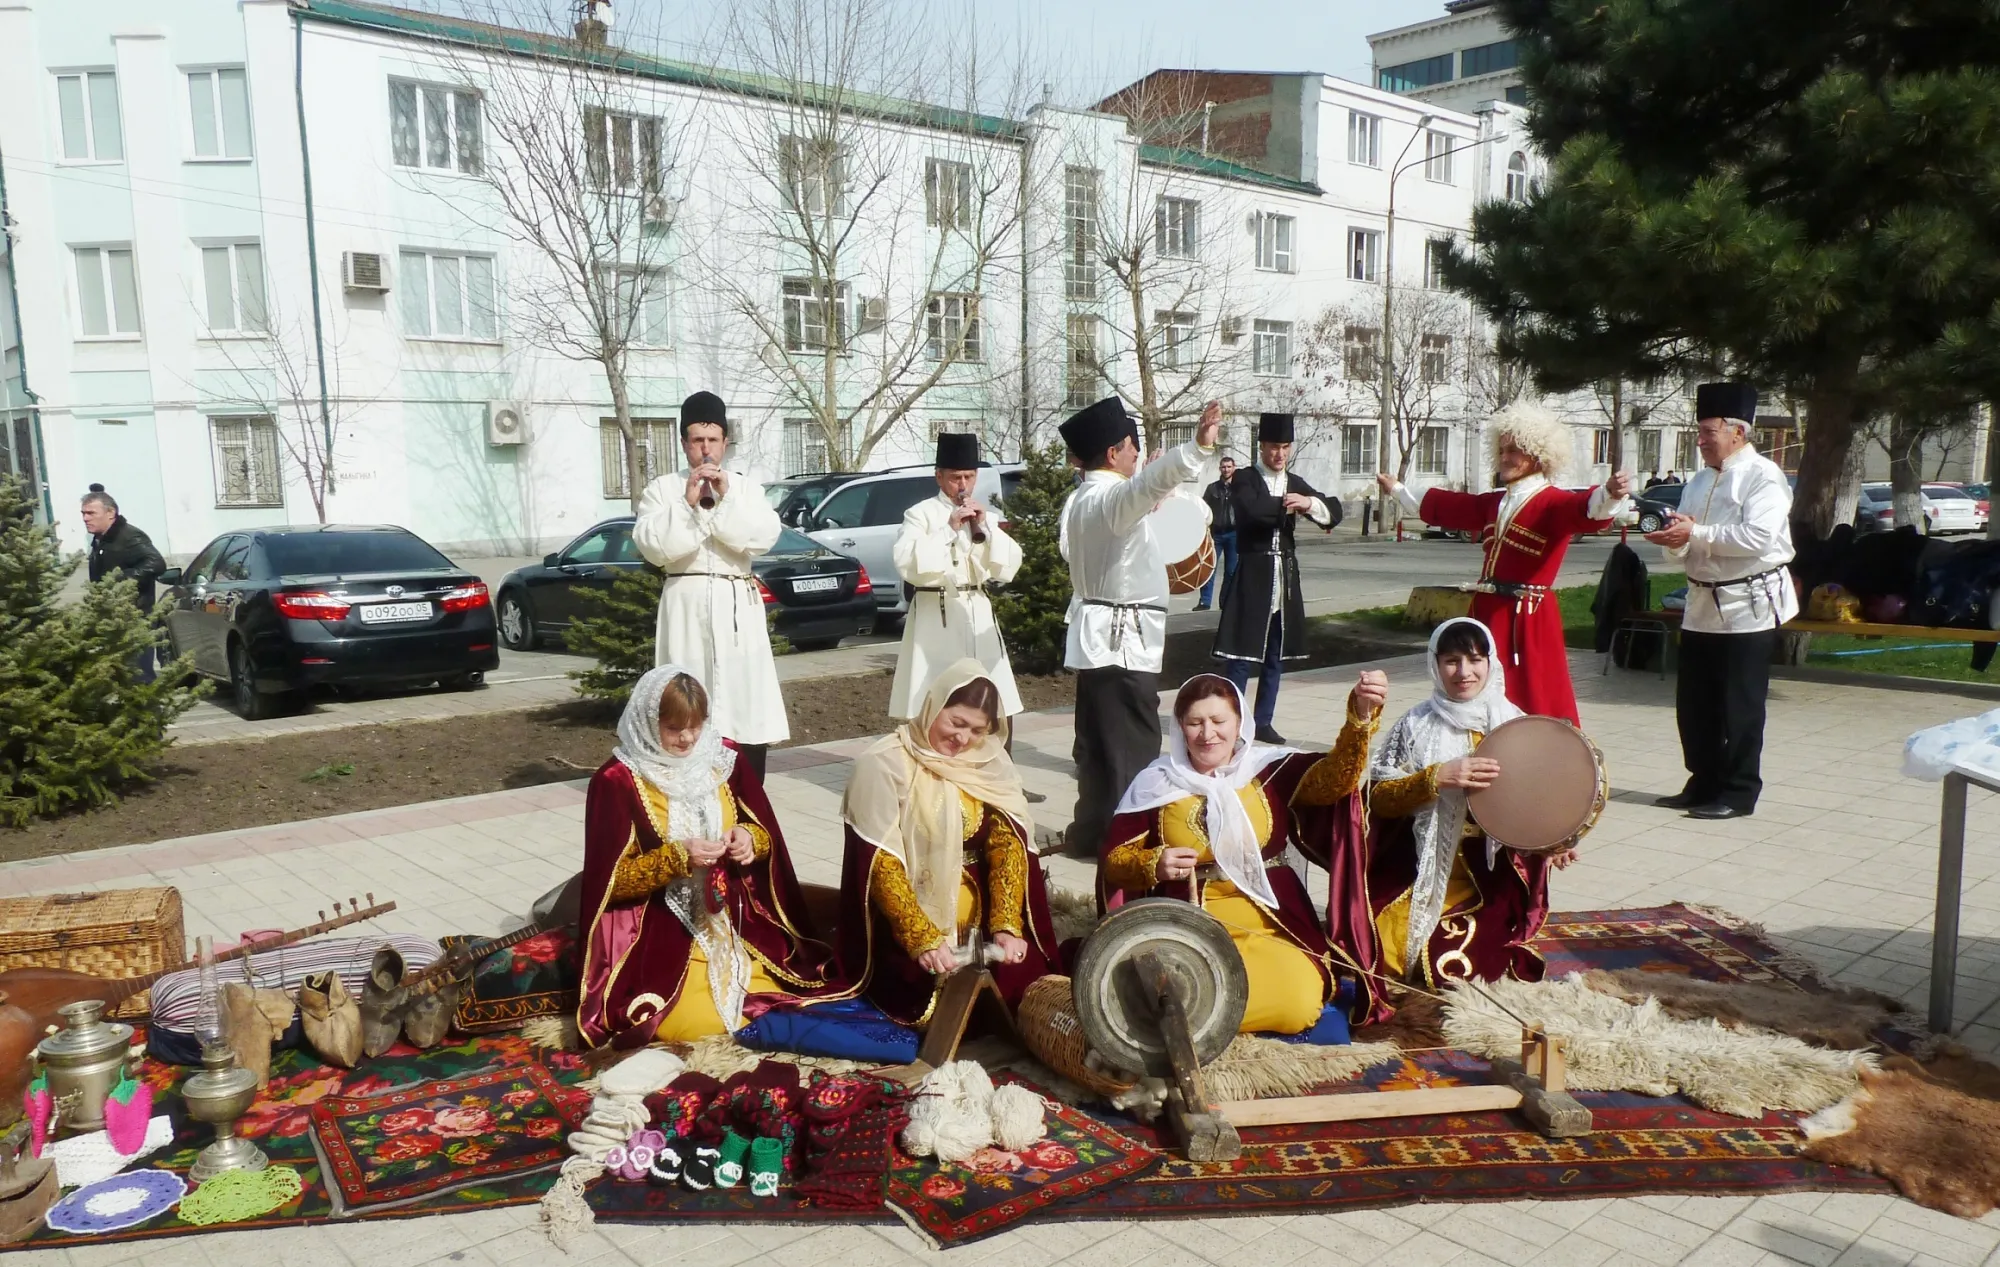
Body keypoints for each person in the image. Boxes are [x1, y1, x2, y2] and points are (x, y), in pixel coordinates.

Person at [1098, 672, 1389, 1034]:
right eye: (1195, 723)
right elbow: (1114, 862)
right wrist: (1153, 863)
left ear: (1240, 723)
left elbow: (1338, 777)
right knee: (1177, 995)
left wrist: (1360, 717)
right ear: (1179, 729)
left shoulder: (1269, 771)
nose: (1208, 734)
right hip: (1186, 925)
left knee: (1296, 1003)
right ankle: (1195, 1021)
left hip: (1269, 919)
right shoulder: (1156, 783)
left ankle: (1202, 1025)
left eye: (1219, 721)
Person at [575, 665, 838, 1049]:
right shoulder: (618, 779)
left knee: (791, 994)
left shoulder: (722, 758)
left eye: (695, 726)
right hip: (664, 930)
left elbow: (763, 832)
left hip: (737, 918)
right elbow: (609, 884)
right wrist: (678, 858)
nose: (687, 739)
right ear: (649, 723)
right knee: (697, 1024)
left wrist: (748, 839)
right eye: (673, 728)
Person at [1377, 400, 1631, 725]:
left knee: (1533, 693)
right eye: (1502, 449)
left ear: (1538, 455)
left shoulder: (1553, 502)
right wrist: (1397, 490)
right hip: (1487, 612)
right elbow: (1446, 506)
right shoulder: (1495, 501)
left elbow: (1586, 510)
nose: (1505, 458)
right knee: (1481, 691)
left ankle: (1541, 756)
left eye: (1514, 450)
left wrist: (1609, 494)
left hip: (1529, 618)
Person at [837, 661, 1062, 1025]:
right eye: (956, 723)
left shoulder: (989, 763)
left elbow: (1007, 845)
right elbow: (880, 861)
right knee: (924, 1012)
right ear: (932, 707)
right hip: (909, 921)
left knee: (1028, 1002)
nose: (963, 739)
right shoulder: (883, 763)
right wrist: (921, 939)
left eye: (977, 730)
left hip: (983, 922)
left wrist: (1006, 925)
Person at [1348, 617, 1569, 987]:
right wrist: (1434, 778)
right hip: (1417, 869)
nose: (1463, 672)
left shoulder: (1515, 726)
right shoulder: (1414, 724)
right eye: (1451, 660)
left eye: (1475, 659)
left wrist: (1555, 841)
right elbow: (1378, 799)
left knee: (1453, 962)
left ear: (1490, 662)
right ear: (1434, 665)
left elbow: (1537, 801)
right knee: (1380, 951)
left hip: (1488, 878)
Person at [1058, 396, 1222, 856]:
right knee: (1131, 749)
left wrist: (1141, 499)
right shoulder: (1111, 499)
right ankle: (1129, 845)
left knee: (1095, 745)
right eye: (1131, 448)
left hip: (1097, 639)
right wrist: (1196, 447)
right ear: (1113, 453)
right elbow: (1144, 486)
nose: (1136, 456)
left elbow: (1096, 539)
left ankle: (1090, 833)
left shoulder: (1081, 501)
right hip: (1122, 643)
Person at [1645, 382, 1797, 821]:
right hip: (1701, 605)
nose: (1700, 440)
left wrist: (1695, 533)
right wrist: (1673, 539)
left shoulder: (1763, 477)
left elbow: (1757, 538)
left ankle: (1739, 791)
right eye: (1699, 431)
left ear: (1737, 431)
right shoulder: (1698, 480)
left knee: (1740, 705)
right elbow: (1686, 538)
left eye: (1708, 431)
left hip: (1748, 605)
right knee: (1694, 704)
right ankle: (1703, 780)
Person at [634, 391, 788, 780]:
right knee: (686, 699)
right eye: (697, 440)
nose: (705, 448)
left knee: (744, 704)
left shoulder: (745, 489)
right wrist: (686, 505)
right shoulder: (661, 490)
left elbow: (762, 537)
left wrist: (726, 499)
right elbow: (656, 549)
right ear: (685, 443)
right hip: (685, 607)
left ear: (725, 443)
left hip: (737, 607)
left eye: (713, 440)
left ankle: (749, 794)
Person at [1213, 413, 1339, 744]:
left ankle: (1263, 720)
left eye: (1285, 447)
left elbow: (1332, 512)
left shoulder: (1294, 481)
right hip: (1253, 575)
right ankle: (1232, 723)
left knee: (1274, 654)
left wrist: (1309, 502)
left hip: (1284, 577)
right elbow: (1251, 510)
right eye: (1273, 447)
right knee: (1241, 655)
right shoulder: (1244, 478)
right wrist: (1291, 506)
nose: (1279, 454)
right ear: (1262, 446)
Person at [887, 433, 1023, 723]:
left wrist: (986, 528)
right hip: (936, 614)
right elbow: (907, 562)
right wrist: (949, 529)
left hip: (977, 609)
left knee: (992, 696)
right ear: (939, 476)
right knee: (937, 696)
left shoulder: (986, 515)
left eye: (969, 477)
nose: (963, 485)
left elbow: (1007, 566)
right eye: (955, 477)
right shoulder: (919, 514)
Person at [82, 485, 166, 683]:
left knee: (139, 675)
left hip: (135, 616)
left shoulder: (129, 536)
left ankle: (149, 712)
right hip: (111, 617)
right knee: (120, 675)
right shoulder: (100, 539)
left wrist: (120, 581)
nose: (86, 518)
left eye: (91, 513)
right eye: (83, 513)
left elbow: (156, 563)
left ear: (110, 513)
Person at [1195, 455, 1239, 612]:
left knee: (1231, 570)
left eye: (1229, 466)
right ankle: (1205, 602)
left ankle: (1226, 602)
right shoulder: (1212, 488)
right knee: (1209, 568)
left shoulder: (1240, 488)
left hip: (1234, 534)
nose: (1226, 469)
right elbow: (1203, 509)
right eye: (1223, 467)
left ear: (1234, 468)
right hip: (1216, 534)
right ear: (1220, 469)